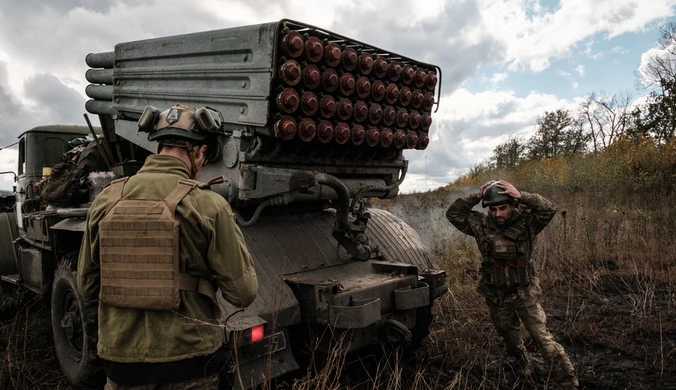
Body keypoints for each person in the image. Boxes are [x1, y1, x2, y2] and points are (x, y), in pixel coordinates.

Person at [78, 104, 258, 389]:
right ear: (199, 153)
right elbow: (243, 293)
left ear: (158, 147)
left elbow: (87, 286)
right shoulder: (209, 205)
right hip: (190, 362)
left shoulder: (106, 200)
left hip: (122, 364)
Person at [446, 180, 578, 389]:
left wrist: (521, 195)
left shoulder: (527, 222)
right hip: (496, 295)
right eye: (493, 209)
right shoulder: (481, 224)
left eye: (503, 208)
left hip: (524, 293)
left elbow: (549, 208)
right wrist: (476, 196)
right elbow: (453, 214)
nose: (498, 214)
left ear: (512, 206)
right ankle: (524, 368)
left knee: (542, 339)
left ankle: (567, 382)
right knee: (509, 338)